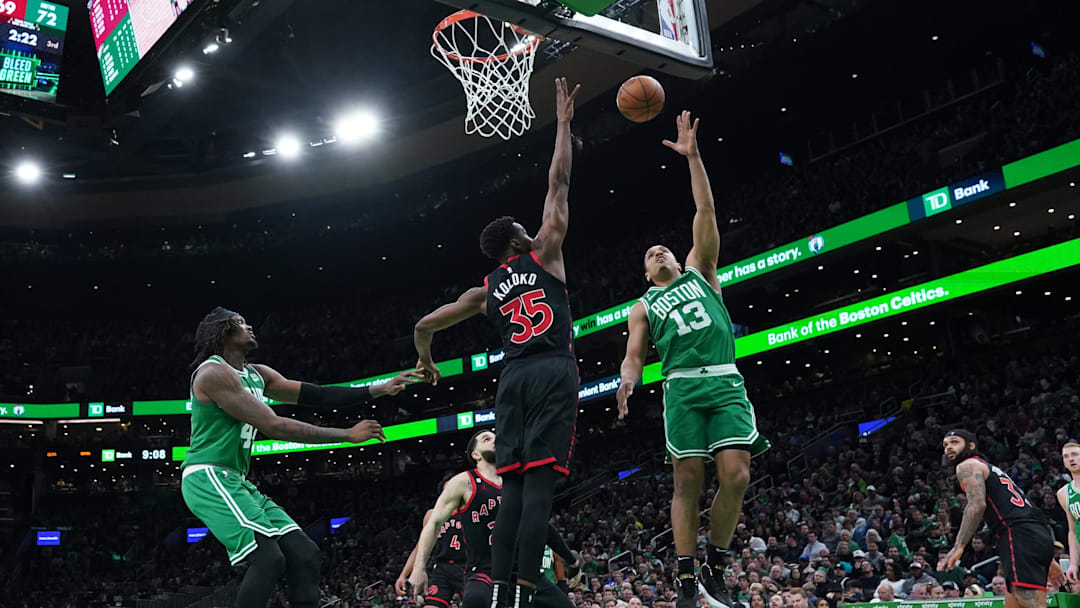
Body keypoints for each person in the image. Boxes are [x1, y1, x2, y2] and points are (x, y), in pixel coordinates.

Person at [413, 78, 581, 608]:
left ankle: (504, 589)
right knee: (536, 491)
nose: (534, 230)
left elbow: (423, 325)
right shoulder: (546, 254)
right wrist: (564, 124)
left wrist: (427, 363)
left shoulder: (482, 291)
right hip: (552, 368)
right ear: (516, 239)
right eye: (524, 229)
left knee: (510, 490)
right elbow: (558, 183)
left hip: (511, 381)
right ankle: (527, 593)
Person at [615, 111, 770, 608]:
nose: (658, 252)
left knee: (738, 475)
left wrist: (694, 157)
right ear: (645, 273)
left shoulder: (702, 273)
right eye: (650, 254)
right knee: (687, 479)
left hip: (724, 380)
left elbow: (706, 212)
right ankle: (685, 583)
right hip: (680, 386)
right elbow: (634, 355)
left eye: (664, 249)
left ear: (679, 260)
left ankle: (715, 567)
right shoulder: (643, 305)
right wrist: (627, 381)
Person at [182, 307, 419, 608]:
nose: (250, 325)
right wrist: (346, 435)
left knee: (305, 554)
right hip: (209, 476)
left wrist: (377, 389)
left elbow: (318, 395)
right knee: (268, 559)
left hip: (237, 480)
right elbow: (275, 425)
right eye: (241, 322)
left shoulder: (258, 374)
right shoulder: (213, 373)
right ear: (223, 331)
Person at [408, 430, 579, 608]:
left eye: (496, 438)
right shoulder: (464, 482)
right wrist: (419, 567)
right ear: (476, 454)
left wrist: (571, 559)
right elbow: (433, 523)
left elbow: (541, 525)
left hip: (524, 572)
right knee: (475, 600)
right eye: (486, 439)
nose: (494, 441)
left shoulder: (517, 482)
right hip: (486, 572)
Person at [937, 430, 1065, 608]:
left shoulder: (967, 465)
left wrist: (959, 545)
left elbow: (977, 505)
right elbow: (1021, 511)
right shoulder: (990, 469)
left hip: (1017, 534)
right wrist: (1047, 559)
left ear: (971, 445)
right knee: (1013, 604)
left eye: (954, 442)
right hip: (1034, 533)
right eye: (945, 445)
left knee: (1031, 604)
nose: (949, 447)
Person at [396, 475, 466, 608]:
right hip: (442, 568)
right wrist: (403, 575)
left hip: (468, 567)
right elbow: (420, 548)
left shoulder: (474, 512)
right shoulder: (432, 515)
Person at [1056, 441, 1080, 586]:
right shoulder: (1063, 493)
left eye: (1075, 454)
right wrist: (1073, 564)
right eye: (1066, 456)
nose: (1071, 459)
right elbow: (1072, 531)